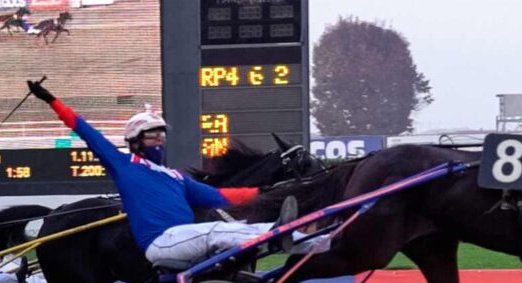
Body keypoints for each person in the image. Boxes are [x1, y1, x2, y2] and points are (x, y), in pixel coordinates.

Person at [26, 80, 314, 269]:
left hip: (184, 239)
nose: (160, 141)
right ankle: (279, 232)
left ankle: (318, 240)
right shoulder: (123, 165)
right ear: (136, 141)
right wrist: (51, 100)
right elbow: (86, 131)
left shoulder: (174, 177)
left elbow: (219, 196)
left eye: (162, 136)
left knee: (232, 227)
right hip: (161, 243)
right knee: (217, 230)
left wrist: (264, 193)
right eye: (153, 136)